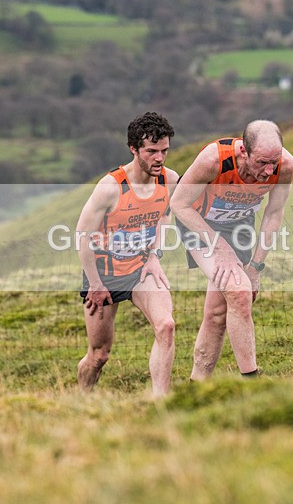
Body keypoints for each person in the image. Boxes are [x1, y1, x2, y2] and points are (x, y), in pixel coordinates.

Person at [170, 119, 293, 380]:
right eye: (261, 162)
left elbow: (274, 213)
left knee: (218, 312)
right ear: (243, 151)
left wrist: (256, 267)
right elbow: (179, 204)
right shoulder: (213, 160)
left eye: (274, 161)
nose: (268, 170)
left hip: (238, 227)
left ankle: (197, 385)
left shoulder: (285, 167)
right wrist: (219, 247)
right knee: (239, 291)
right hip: (198, 222)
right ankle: (252, 381)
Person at [76, 111, 179, 397]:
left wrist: (154, 255)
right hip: (104, 275)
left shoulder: (169, 180)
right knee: (99, 355)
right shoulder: (110, 187)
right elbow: (82, 236)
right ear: (134, 149)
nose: (159, 158)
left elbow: (164, 217)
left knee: (166, 326)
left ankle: (161, 404)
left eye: (164, 151)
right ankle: (81, 401)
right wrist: (95, 284)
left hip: (141, 268)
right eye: (152, 151)